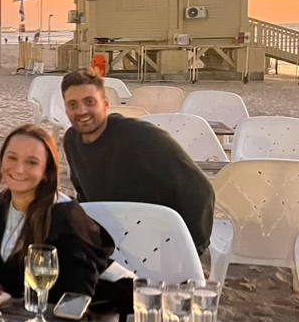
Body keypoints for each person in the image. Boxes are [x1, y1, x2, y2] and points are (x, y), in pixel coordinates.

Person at [60, 69, 215, 253]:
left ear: (106, 104)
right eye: (73, 104)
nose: (82, 111)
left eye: (89, 102)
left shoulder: (140, 137)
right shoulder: (71, 141)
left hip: (157, 240)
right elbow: (85, 197)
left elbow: (199, 190)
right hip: (114, 240)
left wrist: (191, 247)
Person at [0, 124, 133, 309]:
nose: (19, 169)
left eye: (32, 162)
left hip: (112, 307)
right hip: (41, 311)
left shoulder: (64, 217)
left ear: (46, 173)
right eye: (12, 158)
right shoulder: (4, 202)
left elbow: (77, 297)